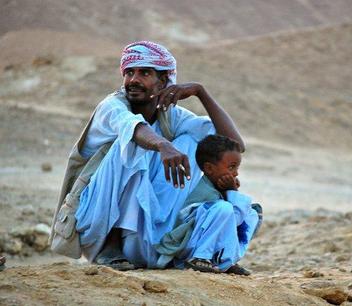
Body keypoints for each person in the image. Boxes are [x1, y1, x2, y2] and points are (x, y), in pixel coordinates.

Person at [57, 40, 251, 270]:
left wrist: (201, 92)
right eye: (129, 72)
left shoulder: (171, 117)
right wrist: (162, 145)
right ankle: (113, 242)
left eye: (144, 73)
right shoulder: (112, 106)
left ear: (163, 81)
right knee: (130, 142)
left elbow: (234, 145)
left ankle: (174, 243)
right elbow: (135, 128)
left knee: (189, 142)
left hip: (147, 232)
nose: (134, 80)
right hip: (97, 223)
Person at [155, 135, 262, 275]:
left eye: (237, 167)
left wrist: (229, 192)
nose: (236, 173)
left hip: (209, 245)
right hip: (189, 246)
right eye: (231, 167)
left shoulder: (218, 187)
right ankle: (200, 258)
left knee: (252, 214)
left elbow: (231, 224)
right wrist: (232, 192)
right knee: (224, 208)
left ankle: (226, 261)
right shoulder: (205, 191)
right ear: (209, 168)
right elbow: (234, 220)